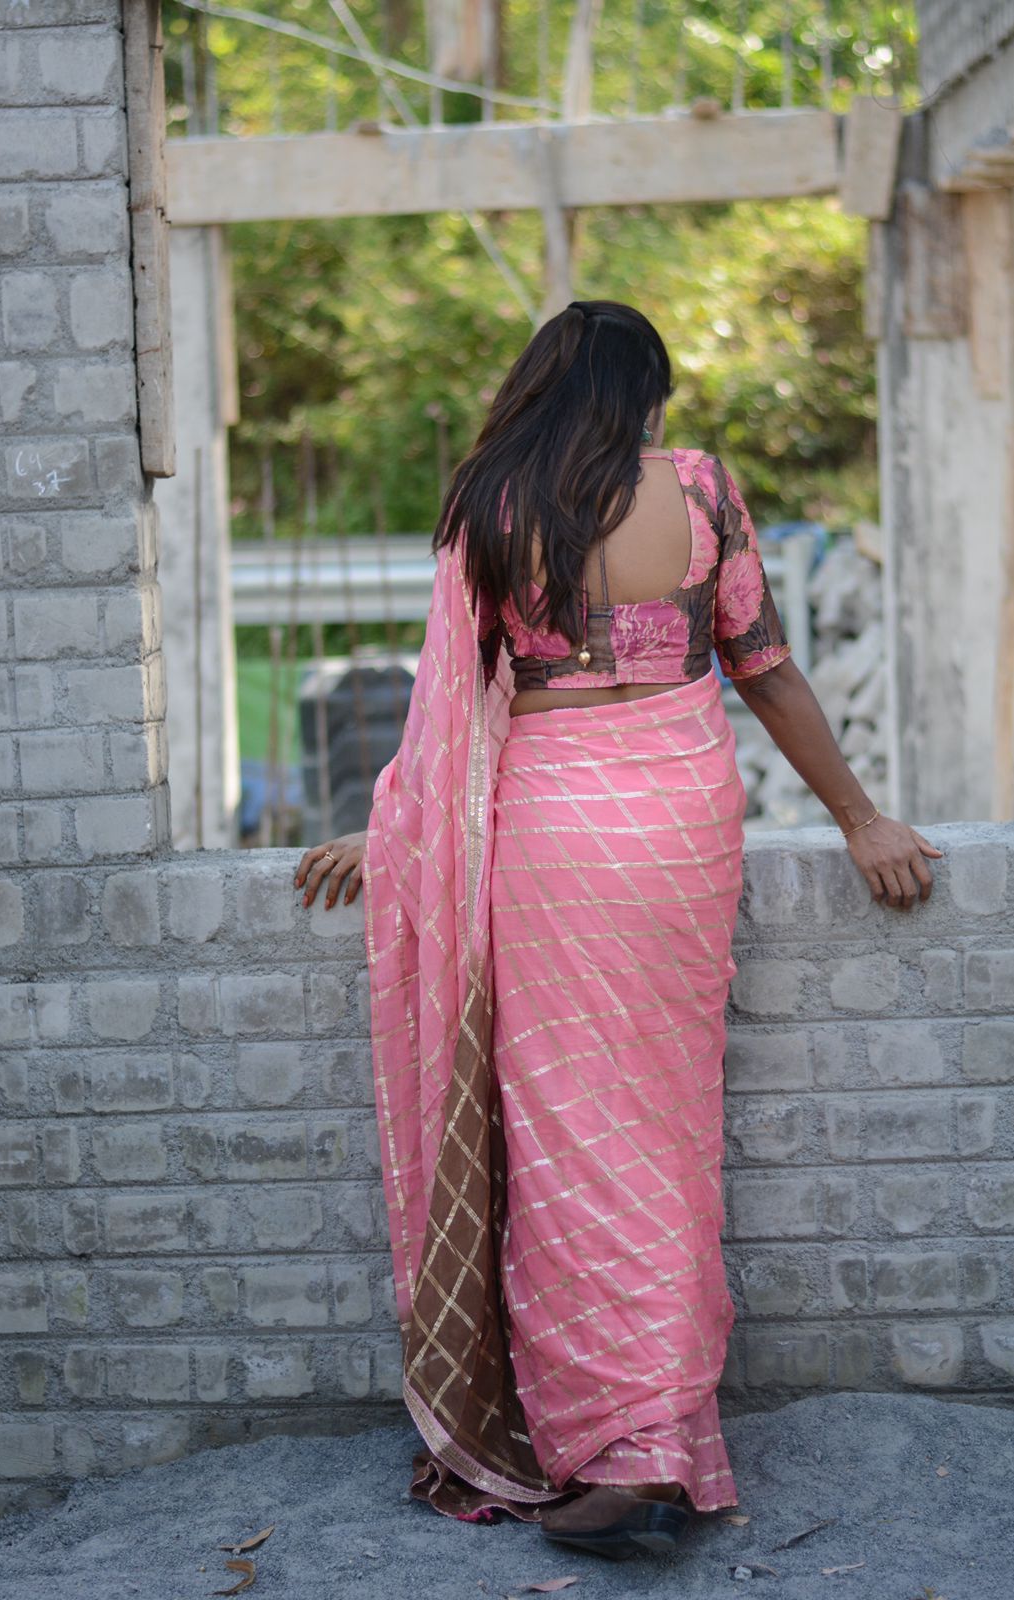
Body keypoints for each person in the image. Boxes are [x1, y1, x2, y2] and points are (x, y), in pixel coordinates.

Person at [294, 301, 942, 1561]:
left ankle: (614, 1441)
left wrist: (396, 835)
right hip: (680, 825)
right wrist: (861, 817)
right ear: (642, 391)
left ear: (540, 382)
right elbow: (763, 666)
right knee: (664, 1120)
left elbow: (447, 718)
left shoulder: (493, 499)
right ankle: (662, 1431)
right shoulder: (698, 490)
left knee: (567, 1131)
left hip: (551, 834)